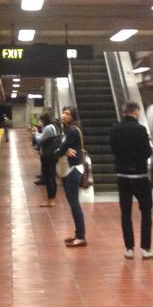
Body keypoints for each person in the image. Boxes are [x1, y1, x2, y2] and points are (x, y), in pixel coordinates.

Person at [109, 101, 153, 260]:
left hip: (122, 176)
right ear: (136, 112)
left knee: (126, 213)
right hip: (140, 176)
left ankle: (129, 248)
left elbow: (113, 150)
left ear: (124, 112)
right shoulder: (140, 129)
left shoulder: (115, 129)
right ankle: (146, 248)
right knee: (146, 211)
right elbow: (146, 153)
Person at [55, 106, 86, 248]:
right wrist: (63, 149)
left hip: (73, 170)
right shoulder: (65, 130)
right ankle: (78, 234)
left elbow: (59, 150)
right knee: (72, 204)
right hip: (66, 170)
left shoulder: (73, 131)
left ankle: (81, 237)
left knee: (74, 204)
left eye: (67, 113)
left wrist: (62, 150)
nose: (64, 115)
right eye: (63, 113)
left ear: (73, 117)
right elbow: (59, 146)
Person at [32, 112, 60, 207]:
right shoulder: (54, 126)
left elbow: (40, 140)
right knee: (52, 176)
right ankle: (53, 198)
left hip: (47, 156)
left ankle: (50, 200)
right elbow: (45, 137)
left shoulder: (48, 128)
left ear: (44, 120)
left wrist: (36, 133)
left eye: (41, 120)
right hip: (53, 155)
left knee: (48, 178)